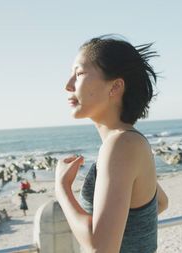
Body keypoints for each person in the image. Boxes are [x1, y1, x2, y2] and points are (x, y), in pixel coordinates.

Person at [55, 35, 169, 253]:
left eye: (79, 74)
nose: (68, 85)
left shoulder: (120, 144)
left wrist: (62, 190)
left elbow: (102, 249)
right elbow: (160, 202)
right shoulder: (128, 141)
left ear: (115, 87)